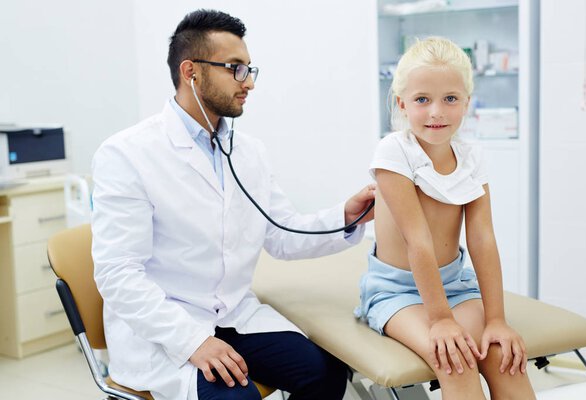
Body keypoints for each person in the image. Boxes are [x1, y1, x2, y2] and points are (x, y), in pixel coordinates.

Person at [91, 9, 375, 400]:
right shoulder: (127, 154)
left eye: (249, 69)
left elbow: (281, 233)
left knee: (325, 373)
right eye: (236, 69)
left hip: (235, 317)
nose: (249, 83)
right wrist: (192, 342)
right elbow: (118, 274)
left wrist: (347, 214)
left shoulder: (247, 152)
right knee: (236, 397)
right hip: (165, 330)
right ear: (191, 72)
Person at [354, 37, 536, 400]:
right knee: (457, 361)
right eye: (422, 100)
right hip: (398, 292)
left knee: (502, 358)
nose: (437, 111)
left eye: (450, 99)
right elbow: (417, 241)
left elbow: (483, 239)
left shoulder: (471, 157)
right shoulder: (394, 152)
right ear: (402, 103)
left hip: (454, 284)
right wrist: (439, 320)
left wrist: (497, 319)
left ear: (466, 103)